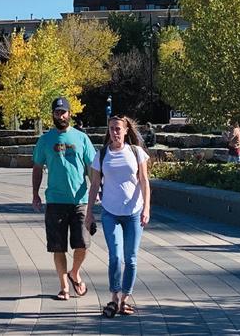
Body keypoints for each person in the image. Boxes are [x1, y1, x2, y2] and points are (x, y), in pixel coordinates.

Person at [85, 115, 151, 318]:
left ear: (125, 130)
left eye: (118, 129)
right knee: (115, 257)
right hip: (110, 212)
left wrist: (146, 208)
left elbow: (144, 181)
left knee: (131, 259)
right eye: (111, 129)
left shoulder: (136, 152)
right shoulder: (102, 154)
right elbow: (94, 185)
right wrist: (89, 213)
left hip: (133, 212)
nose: (115, 132)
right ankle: (114, 297)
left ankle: (125, 299)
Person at [32, 97, 96, 301]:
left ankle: (74, 272)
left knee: (83, 244)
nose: (60, 116)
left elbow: (91, 167)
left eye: (63, 112)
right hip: (55, 201)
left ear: (70, 114)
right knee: (58, 247)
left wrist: (97, 189)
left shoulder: (81, 138)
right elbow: (37, 167)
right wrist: (35, 194)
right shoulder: (45, 140)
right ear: (52, 114)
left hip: (80, 200)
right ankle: (64, 287)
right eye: (57, 112)